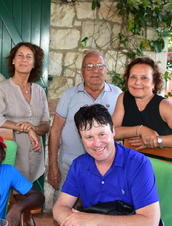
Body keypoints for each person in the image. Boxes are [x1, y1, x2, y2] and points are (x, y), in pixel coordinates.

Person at [53, 104, 160, 226]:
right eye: (89, 137)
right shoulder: (79, 165)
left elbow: (149, 225)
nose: (97, 143)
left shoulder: (138, 164)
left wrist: (93, 220)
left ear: (113, 131)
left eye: (102, 134)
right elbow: (59, 208)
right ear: (81, 139)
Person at [0, 42, 50, 226]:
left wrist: (35, 129)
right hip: (12, 154)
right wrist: (24, 128)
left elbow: (46, 124)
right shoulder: (2, 88)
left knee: (27, 193)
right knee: (10, 195)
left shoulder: (39, 91)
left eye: (29, 56)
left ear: (34, 64)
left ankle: (26, 221)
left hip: (35, 155)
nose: (24, 60)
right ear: (13, 61)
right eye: (20, 55)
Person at [48, 51, 122, 195]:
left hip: (106, 166)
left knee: (102, 210)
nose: (95, 70)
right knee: (64, 208)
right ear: (82, 71)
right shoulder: (69, 94)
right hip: (69, 164)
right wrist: (53, 165)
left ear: (106, 70)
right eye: (89, 66)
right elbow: (55, 130)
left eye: (100, 66)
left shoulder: (118, 94)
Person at [112, 56, 172, 150]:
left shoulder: (164, 105)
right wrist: (140, 130)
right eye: (133, 77)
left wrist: (156, 141)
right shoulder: (123, 98)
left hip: (161, 162)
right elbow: (111, 133)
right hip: (133, 161)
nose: (137, 82)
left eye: (144, 78)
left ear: (154, 82)